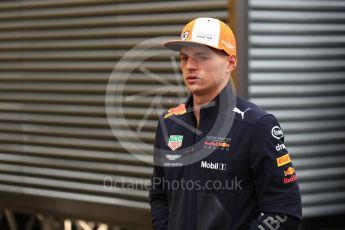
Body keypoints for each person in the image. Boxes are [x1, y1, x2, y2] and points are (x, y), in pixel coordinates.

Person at [149, 17, 302, 230]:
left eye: (202, 57)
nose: (190, 66)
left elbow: (284, 212)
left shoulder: (256, 125)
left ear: (230, 62)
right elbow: (159, 196)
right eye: (184, 58)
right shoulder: (170, 123)